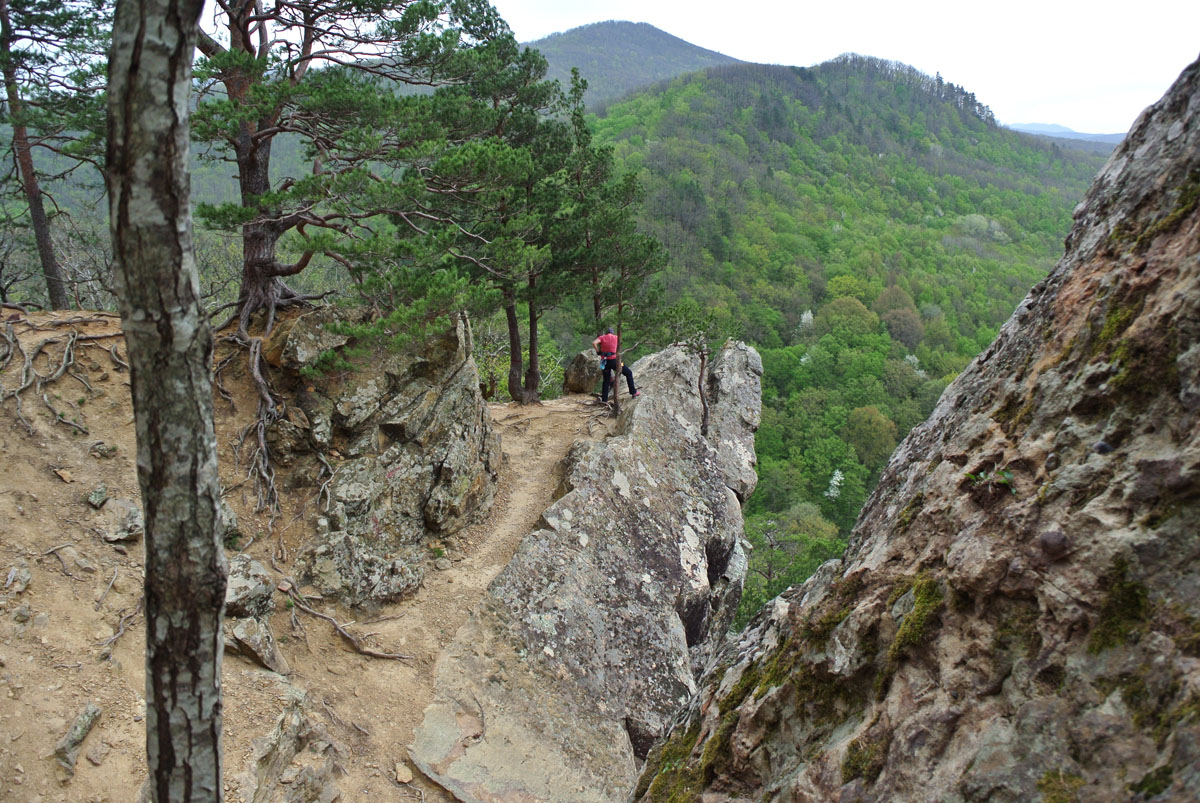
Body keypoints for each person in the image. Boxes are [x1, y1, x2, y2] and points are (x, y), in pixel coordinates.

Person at [592, 327, 638, 402]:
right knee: (628, 372)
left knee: (606, 381)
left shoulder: (602, 337)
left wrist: (598, 352)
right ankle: (633, 392)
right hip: (614, 361)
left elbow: (594, 343)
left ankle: (604, 400)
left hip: (604, 362)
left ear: (606, 333)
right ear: (613, 333)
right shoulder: (616, 337)